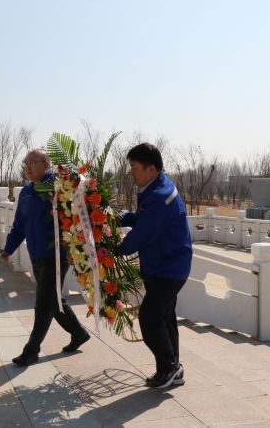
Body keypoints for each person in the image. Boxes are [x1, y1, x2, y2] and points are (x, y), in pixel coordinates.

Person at [1, 149, 90, 366]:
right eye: (26, 163)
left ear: (47, 164)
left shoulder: (60, 187)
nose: (28, 167)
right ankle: (79, 333)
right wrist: (9, 248)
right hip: (36, 254)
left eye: (33, 163)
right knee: (54, 300)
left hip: (56, 256)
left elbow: (77, 216)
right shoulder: (26, 192)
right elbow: (20, 224)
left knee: (43, 304)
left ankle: (31, 350)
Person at [118, 143, 192, 389]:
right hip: (161, 265)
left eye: (134, 167)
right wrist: (118, 217)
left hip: (169, 268)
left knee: (149, 318)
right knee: (164, 318)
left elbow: (143, 233)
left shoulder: (160, 196)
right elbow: (143, 219)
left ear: (151, 168)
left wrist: (114, 249)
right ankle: (171, 368)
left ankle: (169, 367)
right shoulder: (155, 188)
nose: (131, 172)